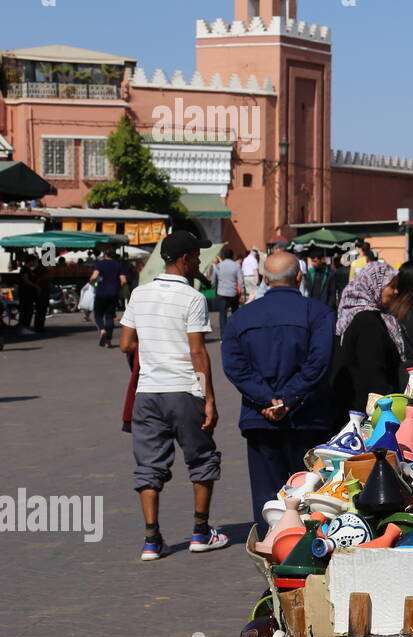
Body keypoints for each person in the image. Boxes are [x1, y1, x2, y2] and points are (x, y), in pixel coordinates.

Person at [118, 230, 228, 561]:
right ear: (184, 259)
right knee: (202, 459)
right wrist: (209, 398)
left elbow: (126, 344)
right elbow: (198, 352)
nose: (199, 262)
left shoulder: (139, 294)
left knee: (149, 465)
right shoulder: (193, 299)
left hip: (148, 393)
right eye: (196, 257)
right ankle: (200, 532)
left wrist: (153, 351)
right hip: (184, 390)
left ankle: (151, 540)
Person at [221, 250, 336, 537]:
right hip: (307, 416)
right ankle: (308, 554)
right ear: (299, 276)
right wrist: (288, 399)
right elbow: (318, 363)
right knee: (310, 491)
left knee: (267, 495)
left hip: (261, 418)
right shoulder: (319, 313)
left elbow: (235, 366)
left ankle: (272, 551)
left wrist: (266, 399)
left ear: (263, 278)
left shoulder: (242, 317)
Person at [331, 260, 407, 415]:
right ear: (374, 286)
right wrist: (387, 410)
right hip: (369, 411)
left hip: (359, 407)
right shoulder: (368, 322)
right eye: (391, 286)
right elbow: (374, 372)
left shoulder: (361, 316)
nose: (396, 292)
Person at [88, 245, 128, 347]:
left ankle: (102, 330)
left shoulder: (100, 264)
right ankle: (108, 341)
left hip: (101, 292)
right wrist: (118, 288)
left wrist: (92, 283)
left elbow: (94, 277)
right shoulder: (118, 265)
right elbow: (123, 280)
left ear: (105, 254)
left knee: (98, 315)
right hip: (113, 293)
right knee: (110, 316)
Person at [209, 247, 243, 337]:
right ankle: (236, 333)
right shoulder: (237, 266)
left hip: (221, 292)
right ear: (232, 256)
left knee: (222, 314)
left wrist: (215, 289)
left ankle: (223, 336)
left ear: (223, 256)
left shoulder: (219, 266)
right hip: (233, 293)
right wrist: (243, 292)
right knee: (235, 314)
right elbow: (241, 281)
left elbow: (213, 280)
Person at [16, 255, 46, 336]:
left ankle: (25, 328)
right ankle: (23, 328)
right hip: (25, 294)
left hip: (29, 294)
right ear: (30, 261)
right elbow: (26, 280)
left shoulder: (29, 270)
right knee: (25, 311)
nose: (35, 263)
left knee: (29, 311)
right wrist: (35, 286)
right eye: (34, 261)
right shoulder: (24, 269)